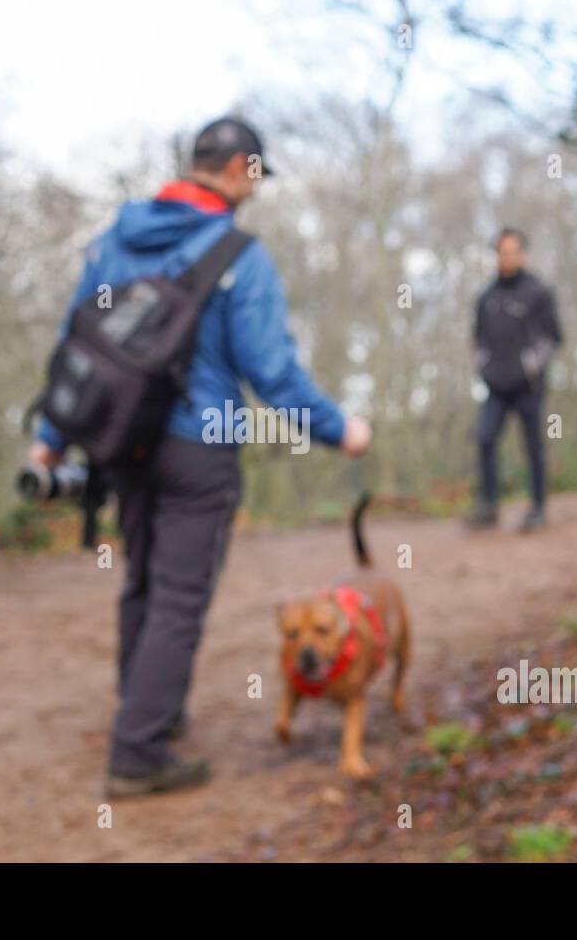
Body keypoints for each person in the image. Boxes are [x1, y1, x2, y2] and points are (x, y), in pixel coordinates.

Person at [31, 116, 372, 797]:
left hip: (119, 439)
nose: (258, 189)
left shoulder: (112, 243)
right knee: (179, 599)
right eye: (259, 175)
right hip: (201, 443)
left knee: (143, 584)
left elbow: (77, 343)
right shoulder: (238, 254)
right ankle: (138, 753)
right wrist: (338, 428)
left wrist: (51, 434)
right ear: (241, 168)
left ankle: (148, 711)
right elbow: (271, 371)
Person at [469, 228, 562, 532]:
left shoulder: (539, 292)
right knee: (484, 437)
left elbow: (553, 336)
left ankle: (537, 508)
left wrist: (531, 365)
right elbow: (478, 339)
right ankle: (488, 505)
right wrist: (483, 365)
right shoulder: (486, 297)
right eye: (501, 251)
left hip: (528, 387)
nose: (506, 257)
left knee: (533, 445)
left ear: (523, 254)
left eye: (512, 251)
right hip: (495, 386)